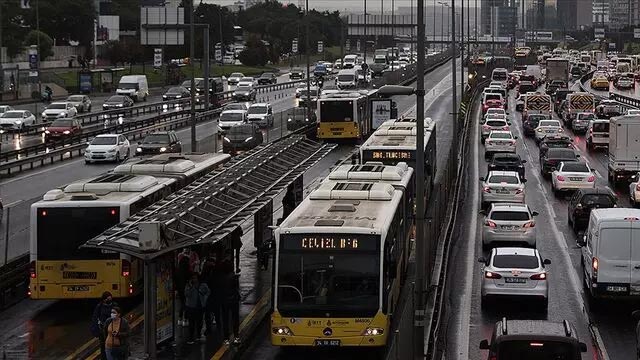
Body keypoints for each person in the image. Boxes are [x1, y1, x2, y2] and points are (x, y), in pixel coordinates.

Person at [201, 252, 223, 335]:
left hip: (210, 296)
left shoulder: (207, 273)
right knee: (215, 313)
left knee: (209, 313)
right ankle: (217, 327)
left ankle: (210, 328)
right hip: (213, 296)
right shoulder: (215, 273)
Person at [184, 273, 210, 344]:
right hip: (191, 306)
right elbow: (187, 294)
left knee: (199, 321)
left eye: (195, 278)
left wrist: (205, 298)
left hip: (200, 306)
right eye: (193, 278)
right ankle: (191, 337)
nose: (194, 280)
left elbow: (208, 291)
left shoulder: (203, 285)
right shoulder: (188, 285)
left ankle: (198, 334)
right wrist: (191, 287)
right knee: (191, 322)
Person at [220, 257, 241, 345]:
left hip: (224, 300)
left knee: (225, 319)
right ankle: (236, 337)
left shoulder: (222, 277)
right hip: (234, 300)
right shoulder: (234, 277)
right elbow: (237, 288)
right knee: (235, 319)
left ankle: (226, 338)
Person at [91, 292, 117, 360]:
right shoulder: (99, 307)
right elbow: (95, 318)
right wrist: (96, 331)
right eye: (107, 299)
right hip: (103, 330)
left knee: (113, 346)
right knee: (103, 347)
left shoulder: (115, 305)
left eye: (110, 298)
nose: (109, 300)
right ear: (104, 299)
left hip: (113, 329)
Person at [175, 253, 191, 327]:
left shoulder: (178, 271)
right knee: (187, 304)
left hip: (180, 290)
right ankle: (185, 319)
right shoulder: (187, 271)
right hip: (186, 289)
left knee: (182, 303)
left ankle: (180, 318)